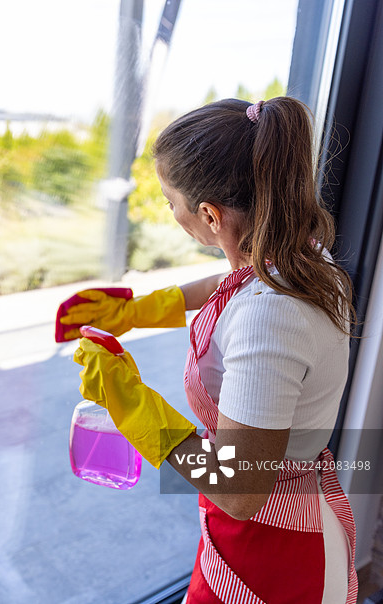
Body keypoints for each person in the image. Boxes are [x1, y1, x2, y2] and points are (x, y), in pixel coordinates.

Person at [56, 97, 357, 603]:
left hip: (270, 548)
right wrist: (144, 309)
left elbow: (240, 489)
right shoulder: (303, 257)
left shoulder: (271, 318)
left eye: (169, 200)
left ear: (209, 215)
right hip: (279, 520)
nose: (171, 212)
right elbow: (234, 282)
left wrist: (135, 407)